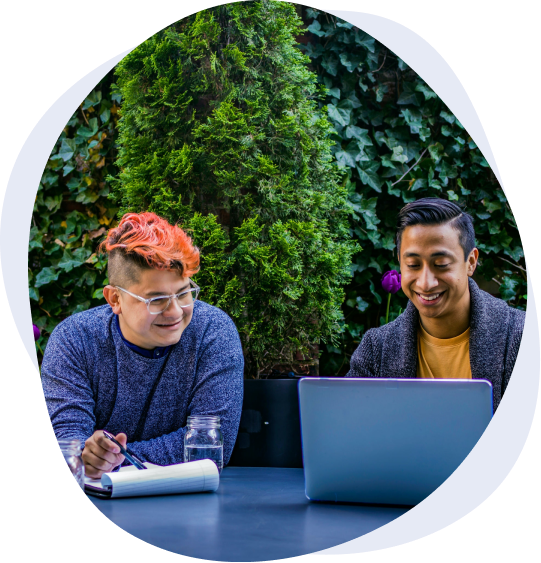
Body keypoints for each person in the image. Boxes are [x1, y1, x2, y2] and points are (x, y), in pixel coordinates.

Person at [42, 212, 244, 478]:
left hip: (190, 500)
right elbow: (69, 447)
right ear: (115, 299)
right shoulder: (74, 340)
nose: (175, 312)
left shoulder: (213, 332)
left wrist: (112, 462)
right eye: (156, 300)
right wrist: (87, 456)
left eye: (184, 293)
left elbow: (211, 445)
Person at [346, 197, 526, 413]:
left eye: (441, 264)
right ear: (400, 262)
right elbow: (351, 422)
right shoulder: (376, 350)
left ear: (470, 262)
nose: (426, 283)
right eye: (413, 265)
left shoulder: (520, 338)